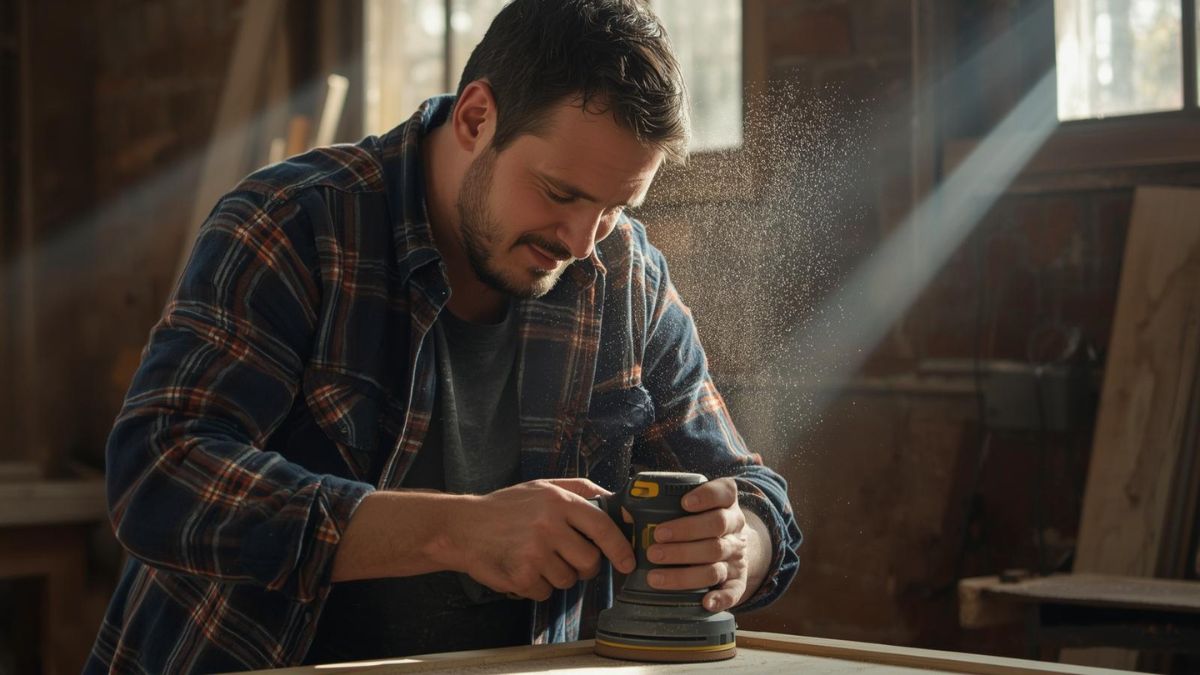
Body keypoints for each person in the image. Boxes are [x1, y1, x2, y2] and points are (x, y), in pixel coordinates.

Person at [86, 0, 801, 672]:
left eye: (616, 205)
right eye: (560, 193)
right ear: (475, 117)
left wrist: (744, 545)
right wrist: (457, 531)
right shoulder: (295, 223)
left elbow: (757, 494)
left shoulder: (626, 276)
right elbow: (158, 471)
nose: (584, 242)